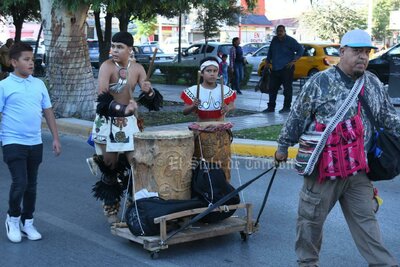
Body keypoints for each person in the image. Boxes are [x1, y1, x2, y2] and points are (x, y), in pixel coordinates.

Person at [275, 29, 399, 266]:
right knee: (310, 223)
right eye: (356, 51)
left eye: (366, 52)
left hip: (358, 172)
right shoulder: (319, 82)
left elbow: (387, 118)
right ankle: (307, 263)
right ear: (342, 52)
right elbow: (297, 117)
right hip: (323, 172)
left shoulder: (372, 83)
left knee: (368, 226)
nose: (362, 57)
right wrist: (282, 146)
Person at [88, 31, 154, 223]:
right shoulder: (106, 67)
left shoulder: (139, 68)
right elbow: (102, 98)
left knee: (137, 164)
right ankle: (111, 208)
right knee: (110, 166)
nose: (115, 50)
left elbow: (149, 99)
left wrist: (149, 92)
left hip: (129, 124)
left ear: (130, 49)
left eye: (120, 47)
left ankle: (137, 206)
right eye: (113, 46)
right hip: (108, 122)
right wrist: (124, 109)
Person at [0, 42, 61, 243]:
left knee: (31, 185)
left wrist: (55, 138)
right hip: (12, 141)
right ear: (13, 62)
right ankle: (13, 218)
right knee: (20, 182)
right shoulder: (4, 86)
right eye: (26, 59)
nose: (31, 63)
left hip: (35, 142)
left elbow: (48, 111)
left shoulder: (38, 84)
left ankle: (28, 221)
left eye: (32, 59)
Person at [181, 56, 236, 121]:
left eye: (215, 71)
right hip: (201, 128)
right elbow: (184, 112)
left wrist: (228, 108)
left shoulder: (224, 89)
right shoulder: (194, 90)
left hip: (220, 128)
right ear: (201, 73)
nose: (212, 74)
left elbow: (232, 105)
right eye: (208, 71)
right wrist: (193, 106)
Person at [263, 25, 303, 113]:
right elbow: (270, 51)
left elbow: (300, 49)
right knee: (272, 88)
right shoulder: (274, 40)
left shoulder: (290, 40)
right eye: (278, 31)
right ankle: (271, 107)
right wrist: (267, 61)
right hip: (275, 68)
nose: (279, 33)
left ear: (285, 31)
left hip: (287, 69)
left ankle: (286, 107)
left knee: (287, 89)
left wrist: (294, 61)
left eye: (281, 31)